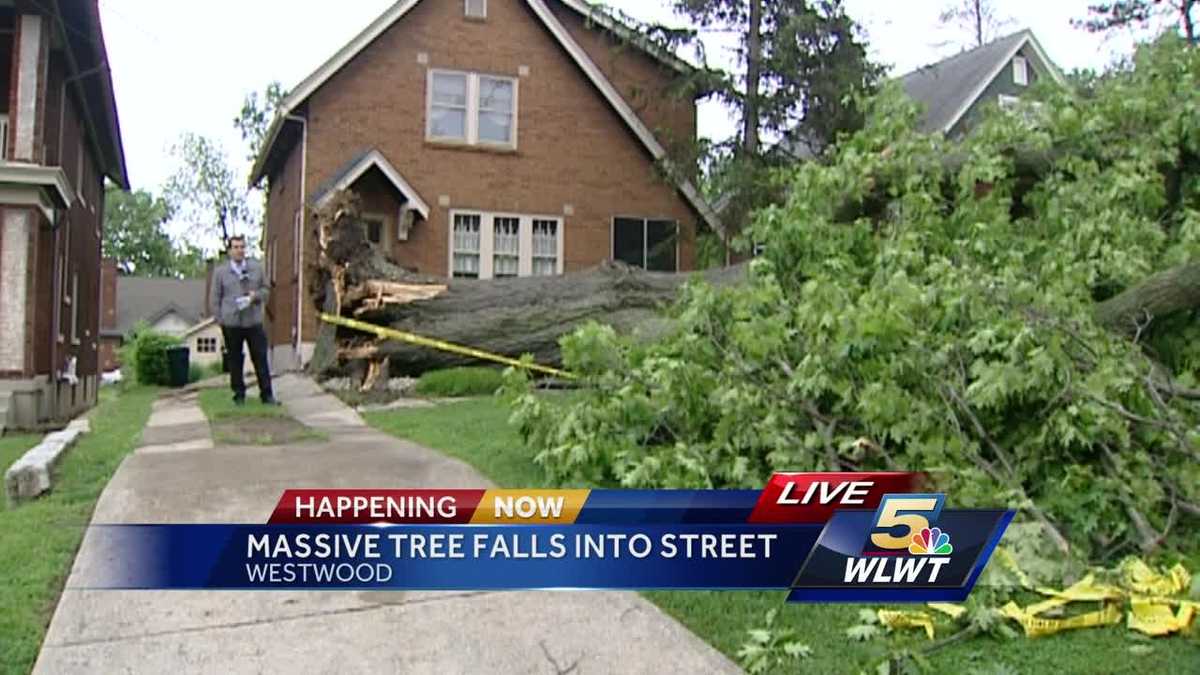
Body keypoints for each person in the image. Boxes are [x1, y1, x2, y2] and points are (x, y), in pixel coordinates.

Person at [210, 235, 278, 406]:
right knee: (234, 360)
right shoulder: (221, 273)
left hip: (253, 321)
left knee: (260, 357)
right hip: (231, 322)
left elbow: (266, 290)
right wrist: (220, 319)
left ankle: (267, 395)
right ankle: (239, 395)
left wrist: (255, 296)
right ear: (229, 251)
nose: (239, 250)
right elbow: (215, 298)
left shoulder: (256, 268)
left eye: (242, 247)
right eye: (236, 247)